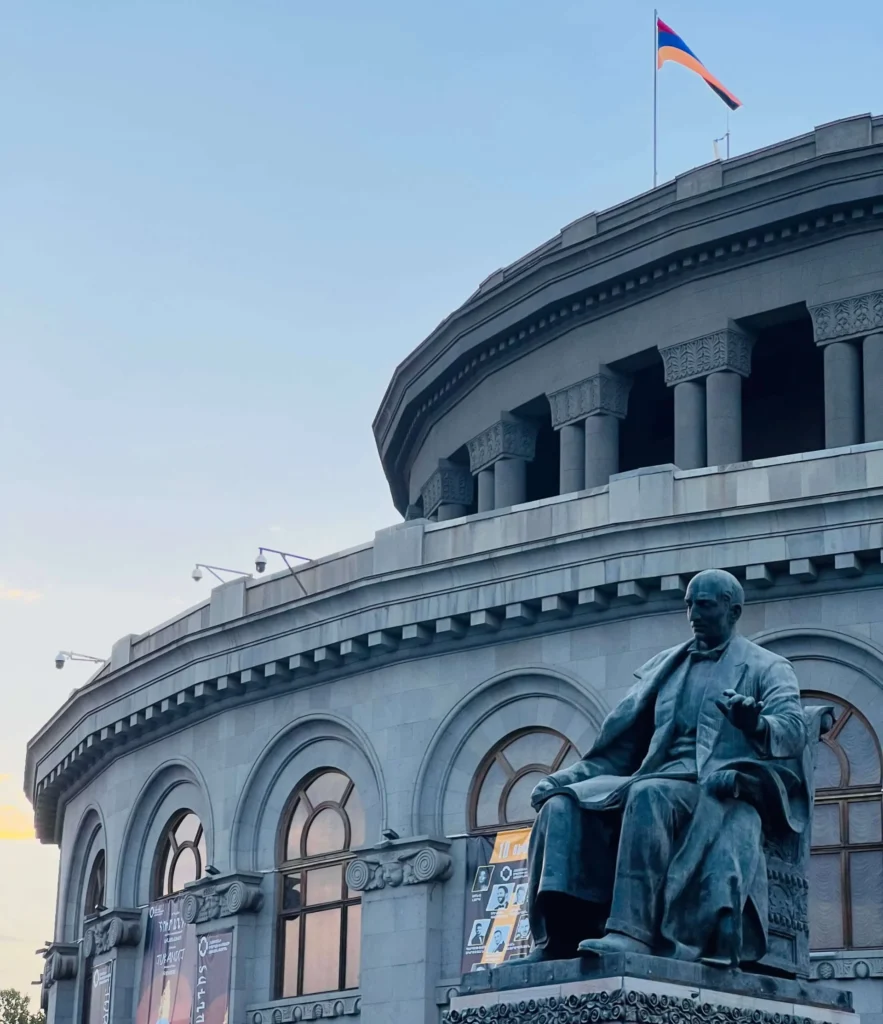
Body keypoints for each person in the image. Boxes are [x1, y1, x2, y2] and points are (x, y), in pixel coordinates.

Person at [525, 569, 810, 966]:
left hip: (711, 788)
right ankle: (556, 939)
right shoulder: (665, 666)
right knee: (560, 806)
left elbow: (794, 730)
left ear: (734, 610)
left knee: (649, 796)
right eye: (689, 604)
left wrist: (756, 724)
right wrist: (565, 779)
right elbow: (616, 752)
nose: (693, 613)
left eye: (705, 604)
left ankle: (632, 933)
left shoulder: (767, 667)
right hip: (650, 775)